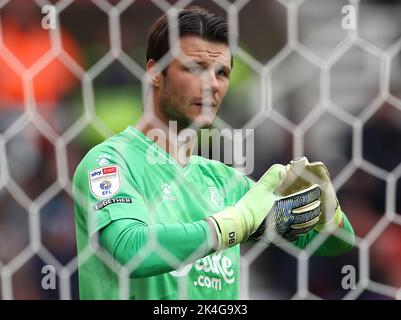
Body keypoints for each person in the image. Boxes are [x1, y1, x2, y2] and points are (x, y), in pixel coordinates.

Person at [72, 6, 355, 300]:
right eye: (195, 68)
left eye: (222, 73)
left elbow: (332, 244)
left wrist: (329, 214)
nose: (212, 84)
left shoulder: (224, 182)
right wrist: (232, 225)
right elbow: (130, 250)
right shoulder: (109, 162)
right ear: (155, 72)